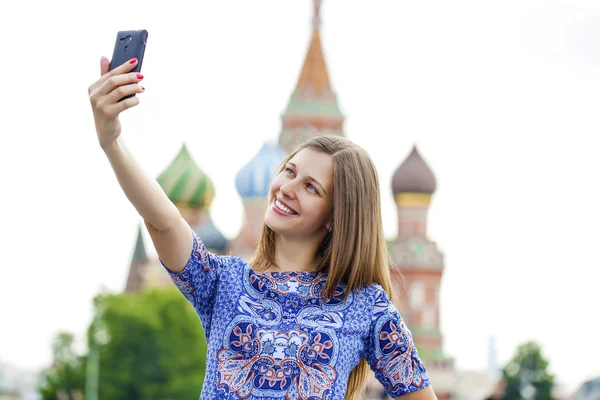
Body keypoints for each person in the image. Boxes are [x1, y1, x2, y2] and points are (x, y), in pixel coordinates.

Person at [88, 56, 438, 400]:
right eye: (289, 171)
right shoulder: (223, 281)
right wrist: (112, 142)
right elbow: (163, 221)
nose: (287, 187)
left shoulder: (365, 305)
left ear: (336, 216)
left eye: (311, 187)